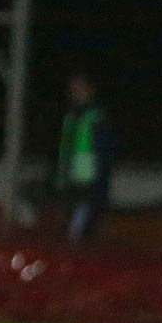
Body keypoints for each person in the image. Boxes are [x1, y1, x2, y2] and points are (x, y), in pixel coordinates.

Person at [55, 69, 115, 243]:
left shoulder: (97, 117)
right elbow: (65, 150)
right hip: (70, 181)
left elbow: (105, 152)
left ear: (90, 90)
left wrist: (100, 180)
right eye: (73, 89)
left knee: (80, 230)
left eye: (80, 88)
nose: (75, 93)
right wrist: (60, 177)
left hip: (90, 181)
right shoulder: (71, 117)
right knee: (68, 227)